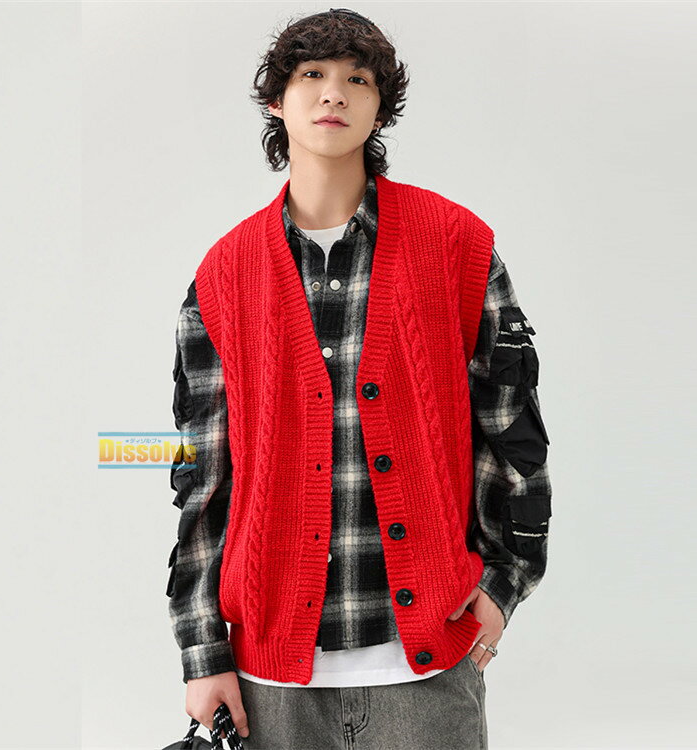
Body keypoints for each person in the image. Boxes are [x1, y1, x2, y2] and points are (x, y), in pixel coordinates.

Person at [166, 8, 553, 749]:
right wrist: (202, 651)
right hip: (271, 682)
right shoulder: (222, 276)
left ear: (381, 108)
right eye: (311, 75)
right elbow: (202, 480)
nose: (334, 93)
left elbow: (513, 432)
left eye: (358, 79)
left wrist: (505, 585)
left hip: (429, 666)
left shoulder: (458, 246)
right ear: (276, 101)